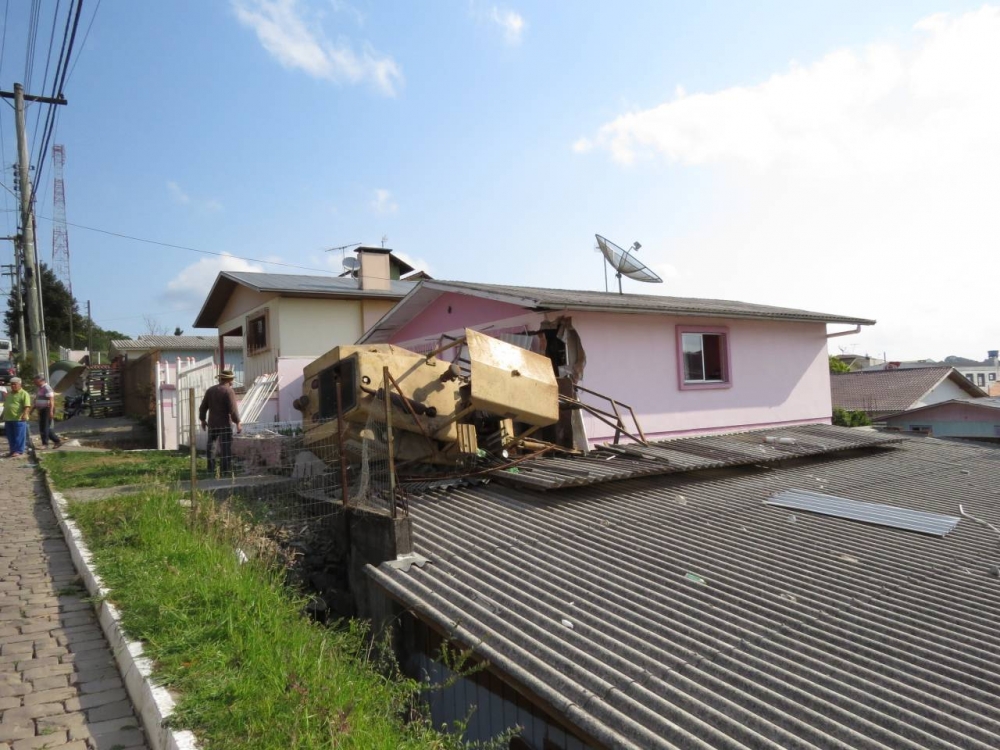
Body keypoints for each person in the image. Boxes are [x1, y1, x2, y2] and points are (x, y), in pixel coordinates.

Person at [199, 368, 242, 473]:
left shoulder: (210, 390)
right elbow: (233, 410)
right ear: (228, 380)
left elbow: (203, 407)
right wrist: (238, 422)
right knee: (225, 446)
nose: (232, 382)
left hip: (213, 423)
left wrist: (203, 420)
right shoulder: (229, 391)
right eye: (231, 379)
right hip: (224, 424)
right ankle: (225, 470)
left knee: (211, 447)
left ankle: (211, 469)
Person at [3, 377, 32, 457]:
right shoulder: (9, 394)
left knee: (19, 436)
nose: (13, 386)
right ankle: (12, 450)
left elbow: (27, 406)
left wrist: (25, 414)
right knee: (10, 436)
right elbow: (6, 405)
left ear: (19, 384)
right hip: (8, 418)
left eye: (14, 384)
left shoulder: (24, 393)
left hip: (19, 419)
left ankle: (19, 450)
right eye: (11, 384)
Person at [32, 375, 62, 449]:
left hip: (47, 409)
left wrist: (51, 411)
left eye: (36, 382)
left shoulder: (47, 388)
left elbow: (51, 400)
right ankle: (57, 441)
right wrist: (33, 409)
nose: (35, 383)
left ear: (41, 381)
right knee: (44, 427)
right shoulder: (40, 388)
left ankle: (45, 444)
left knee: (45, 427)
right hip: (42, 409)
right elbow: (37, 400)